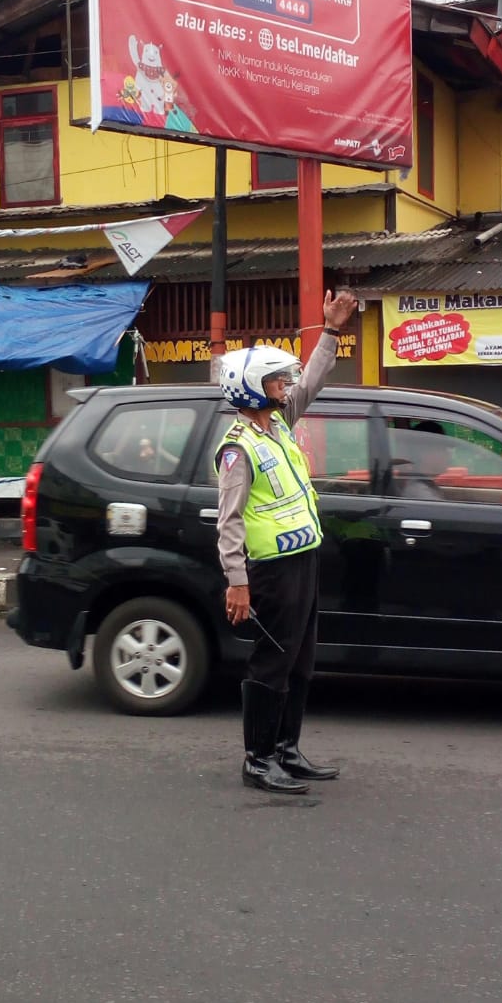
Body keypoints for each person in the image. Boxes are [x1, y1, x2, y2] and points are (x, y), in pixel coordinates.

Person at [215, 289, 358, 795]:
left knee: (301, 661)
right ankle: (258, 759)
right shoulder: (239, 449)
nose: (285, 385)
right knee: (273, 662)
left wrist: (332, 331)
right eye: (276, 380)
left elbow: (313, 382)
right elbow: (229, 523)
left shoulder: (276, 425)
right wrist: (238, 583)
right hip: (271, 572)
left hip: (303, 562)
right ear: (253, 388)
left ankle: (286, 751)